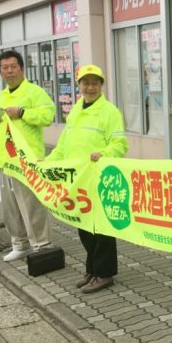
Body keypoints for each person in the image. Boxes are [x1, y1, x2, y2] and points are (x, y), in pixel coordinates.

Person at [46, 64, 128, 294]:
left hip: (98, 178)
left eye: (94, 83)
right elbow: (64, 145)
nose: (89, 87)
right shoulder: (75, 110)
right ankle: (91, 269)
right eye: (85, 82)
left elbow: (120, 144)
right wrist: (48, 162)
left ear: (101, 85)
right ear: (79, 85)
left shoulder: (109, 112)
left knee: (100, 227)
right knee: (84, 226)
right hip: (77, 180)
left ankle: (105, 273)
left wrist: (104, 154)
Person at [0, 51, 56, 261]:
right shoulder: (1, 96)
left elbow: (48, 115)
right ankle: (19, 243)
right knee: (12, 206)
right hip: (7, 161)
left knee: (32, 205)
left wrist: (23, 113)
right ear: (0, 72)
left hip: (27, 161)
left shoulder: (34, 92)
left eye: (13, 66)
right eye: (5, 67)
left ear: (22, 68)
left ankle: (42, 245)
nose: (9, 71)